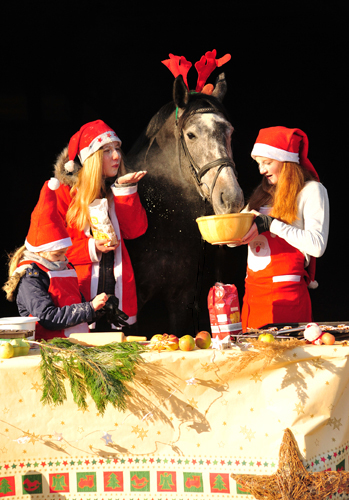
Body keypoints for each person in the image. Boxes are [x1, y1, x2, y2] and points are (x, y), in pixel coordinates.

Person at [52, 119, 148, 331]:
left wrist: (125, 190)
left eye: (117, 149)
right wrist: (91, 248)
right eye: (106, 150)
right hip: (79, 296)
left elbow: (136, 230)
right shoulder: (62, 193)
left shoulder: (116, 189)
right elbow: (46, 248)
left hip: (118, 296)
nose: (116, 156)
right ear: (91, 158)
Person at [234, 126, 329, 330]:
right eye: (259, 163)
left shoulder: (311, 191)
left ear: (286, 162)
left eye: (267, 162)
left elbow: (317, 246)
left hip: (288, 299)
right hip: (253, 297)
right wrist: (221, 231)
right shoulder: (262, 193)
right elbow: (234, 239)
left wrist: (272, 224)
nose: (261, 170)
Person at [3, 178, 108, 341]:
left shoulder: (65, 267)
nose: (63, 259)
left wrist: (100, 308)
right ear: (39, 252)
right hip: (50, 349)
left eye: (64, 253)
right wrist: (90, 308)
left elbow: (76, 309)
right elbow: (48, 317)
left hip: (77, 343)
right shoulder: (31, 277)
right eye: (57, 254)